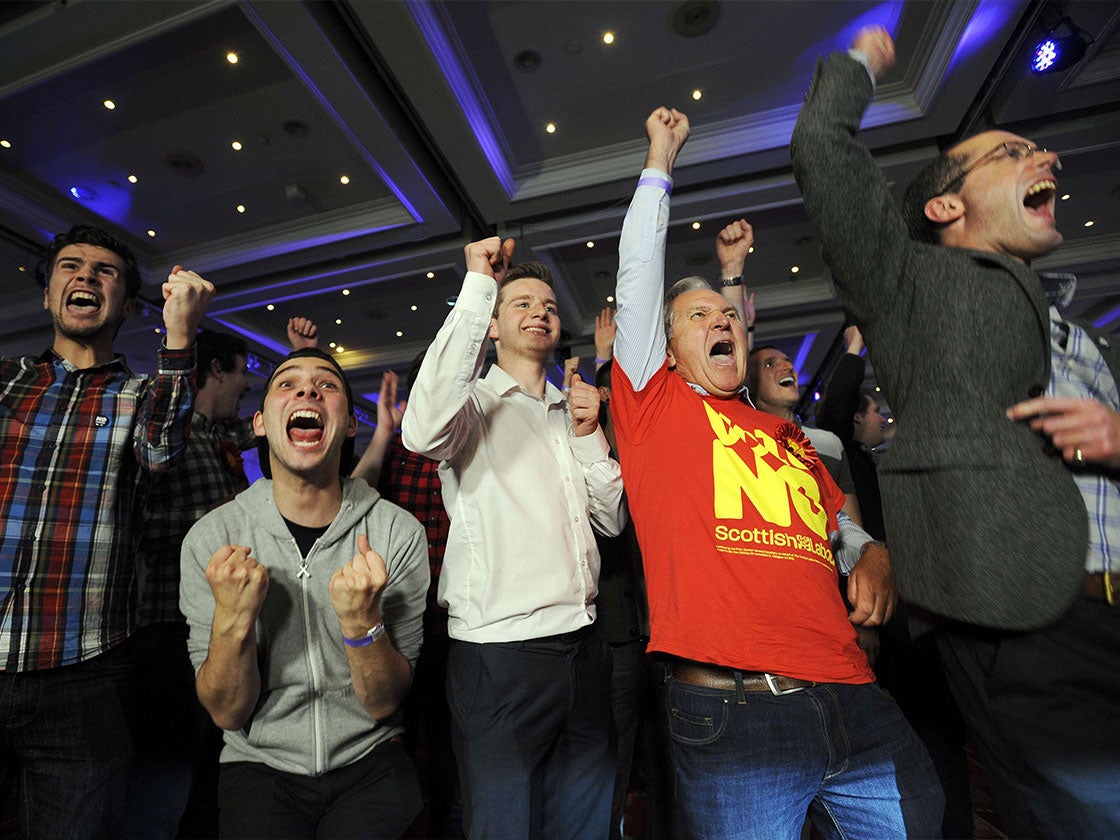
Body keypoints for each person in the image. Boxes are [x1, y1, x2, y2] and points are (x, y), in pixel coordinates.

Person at [791, 25, 1120, 838]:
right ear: (946, 206)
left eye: (1041, 148)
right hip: (1023, 619)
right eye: (1012, 153)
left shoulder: (1078, 331)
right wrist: (862, 65)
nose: (1044, 159)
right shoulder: (909, 287)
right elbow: (822, 149)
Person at [611, 106, 942, 839]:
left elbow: (836, 522)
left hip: (854, 693)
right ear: (663, 353)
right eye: (697, 318)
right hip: (735, 715)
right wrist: (660, 161)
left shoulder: (784, 433)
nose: (719, 322)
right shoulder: (653, 407)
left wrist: (871, 551)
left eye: (723, 316)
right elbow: (637, 276)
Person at [402, 244, 626, 839]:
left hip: (584, 647)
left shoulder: (568, 409)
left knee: (584, 823)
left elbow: (612, 521)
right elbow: (420, 429)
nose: (539, 311)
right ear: (494, 325)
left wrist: (588, 435)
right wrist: (478, 285)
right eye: (521, 302)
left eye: (549, 304)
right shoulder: (470, 406)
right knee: (503, 826)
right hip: (501, 656)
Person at [0, 224, 213, 839]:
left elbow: (162, 450)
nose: (87, 276)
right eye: (71, 266)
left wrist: (180, 335)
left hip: (83, 668)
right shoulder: (7, 382)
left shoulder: (142, 394)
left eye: (106, 271)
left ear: (124, 303)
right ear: (48, 294)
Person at [179, 347, 429, 839]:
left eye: (328, 385)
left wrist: (362, 625)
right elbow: (228, 712)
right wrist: (233, 619)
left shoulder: (396, 533)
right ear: (260, 422)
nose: (308, 390)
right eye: (287, 383)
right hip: (259, 763)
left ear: (351, 426)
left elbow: (384, 702)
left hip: (372, 756)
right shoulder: (213, 538)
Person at [124, 318, 318, 839]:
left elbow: (274, 422)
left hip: (225, 621)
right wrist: (210, 537)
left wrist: (302, 358)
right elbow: (137, 521)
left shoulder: (223, 432)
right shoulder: (167, 432)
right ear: (216, 370)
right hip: (166, 621)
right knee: (167, 763)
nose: (246, 390)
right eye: (241, 377)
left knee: (212, 756)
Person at [350, 357, 463, 839]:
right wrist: (382, 432)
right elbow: (354, 495)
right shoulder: (396, 450)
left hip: (460, 628)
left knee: (450, 754)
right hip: (400, 629)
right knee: (392, 747)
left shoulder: (470, 445)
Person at [815, 326, 887, 540]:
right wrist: (855, 345)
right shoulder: (841, 448)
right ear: (857, 416)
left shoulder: (865, 458)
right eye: (876, 412)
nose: (883, 419)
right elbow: (839, 401)